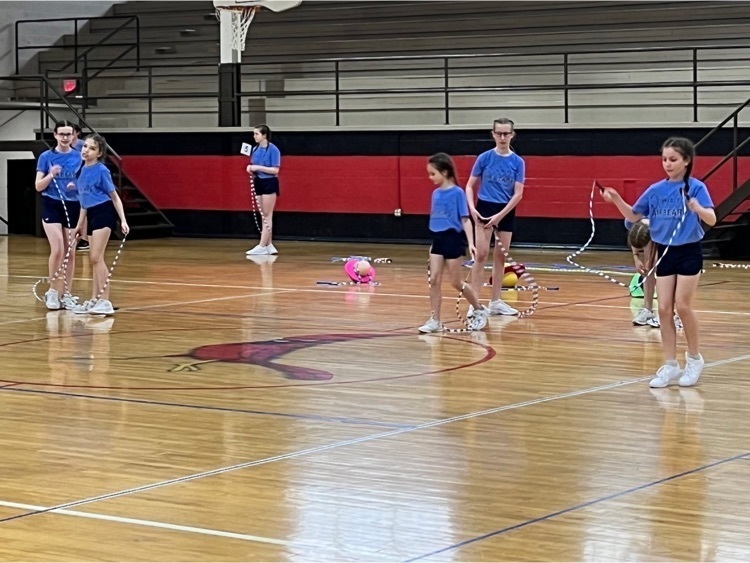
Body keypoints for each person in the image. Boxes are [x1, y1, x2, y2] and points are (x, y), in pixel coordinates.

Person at [601, 137, 715, 388]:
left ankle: (694, 359)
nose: (667, 164)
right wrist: (616, 199)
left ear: (686, 161)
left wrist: (698, 208)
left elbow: (712, 218)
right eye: (664, 159)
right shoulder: (655, 190)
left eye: (673, 159)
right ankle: (670, 364)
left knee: (682, 306)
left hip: (688, 251)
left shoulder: (696, 188)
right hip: (665, 253)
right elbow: (633, 216)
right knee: (663, 309)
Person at [419, 153, 489, 334]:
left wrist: (471, 243)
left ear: (444, 172)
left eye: (433, 173)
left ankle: (479, 309)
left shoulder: (458, 193)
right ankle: (435, 320)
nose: (430, 177)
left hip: (453, 239)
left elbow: (465, 219)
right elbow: (436, 219)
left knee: (456, 282)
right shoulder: (435, 194)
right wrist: (433, 245)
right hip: (437, 240)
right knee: (434, 280)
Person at [466, 117, 524, 317]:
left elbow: (518, 194)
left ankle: (496, 302)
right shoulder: (484, 158)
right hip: (484, 208)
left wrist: (500, 216)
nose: (502, 137)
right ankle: (474, 303)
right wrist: (472, 209)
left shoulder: (518, 162)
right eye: (499, 133)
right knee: (481, 255)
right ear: (493, 134)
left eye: (506, 133)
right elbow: (469, 185)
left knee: (501, 256)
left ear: (512, 135)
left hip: (505, 210)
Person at [70, 134, 129, 316]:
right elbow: (83, 202)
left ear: (99, 153)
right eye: (85, 146)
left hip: (104, 212)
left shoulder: (102, 170)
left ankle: (105, 301)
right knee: (94, 259)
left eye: (92, 148)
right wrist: (79, 225)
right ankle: (95, 299)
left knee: (96, 257)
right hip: (91, 214)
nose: (86, 150)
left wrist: (123, 220)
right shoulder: (81, 171)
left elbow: (114, 197)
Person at [35, 120, 82, 310]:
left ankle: (66, 293)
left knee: (70, 253)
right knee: (58, 250)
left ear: (73, 135)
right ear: (55, 135)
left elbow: (86, 183)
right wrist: (51, 175)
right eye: (61, 134)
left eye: (68, 134)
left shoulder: (79, 156)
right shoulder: (46, 157)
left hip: (73, 206)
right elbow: (38, 186)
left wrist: (75, 185)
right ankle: (53, 291)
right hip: (52, 204)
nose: (65, 137)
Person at [628, 219, 683, 330]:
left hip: (674, 237)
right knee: (647, 269)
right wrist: (636, 257)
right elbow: (634, 240)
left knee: (665, 271)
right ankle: (647, 311)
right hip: (654, 231)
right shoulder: (636, 225)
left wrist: (653, 259)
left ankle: (671, 315)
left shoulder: (662, 228)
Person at [245, 124, 281, 256]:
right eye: (254, 134)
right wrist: (250, 169)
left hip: (269, 182)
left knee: (267, 214)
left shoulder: (273, 149)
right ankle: (269, 245)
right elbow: (254, 165)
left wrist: (258, 168)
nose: (254, 136)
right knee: (263, 214)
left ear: (264, 135)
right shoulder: (255, 149)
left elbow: (275, 170)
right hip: (258, 181)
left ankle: (261, 246)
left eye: (257, 134)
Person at [70, 123, 90, 252]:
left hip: (81, 180)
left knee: (84, 209)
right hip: (71, 183)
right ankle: (75, 238)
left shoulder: (83, 145)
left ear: (77, 133)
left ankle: (85, 239)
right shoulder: (65, 147)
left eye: (71, 132)